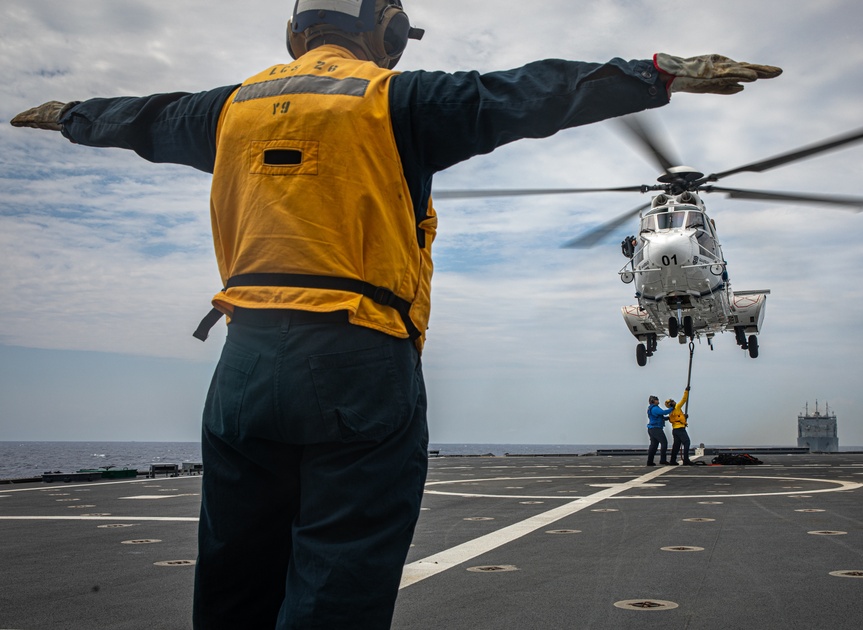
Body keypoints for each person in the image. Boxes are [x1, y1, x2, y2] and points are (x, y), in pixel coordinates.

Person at [10, 1, 781, 627]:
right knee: (337, 582)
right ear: (386, 33)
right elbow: (527, 93)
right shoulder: (398, 100)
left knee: (234, 581)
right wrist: (656, 74)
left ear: (293, 33)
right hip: (359, 361)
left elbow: (144, 116)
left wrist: (72, 113)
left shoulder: (228, 111)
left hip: (243, 368)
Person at [666, 386, 693, 465]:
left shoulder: (670, 412)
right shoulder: (677, 407)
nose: (674, 401)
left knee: (676, 446)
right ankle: (686, 460)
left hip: (675, 430)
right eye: (672, 401)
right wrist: (686, 391)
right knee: (687, 442)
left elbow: (676, 418)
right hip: (680, 429)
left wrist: (683, 417)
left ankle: (672, 460)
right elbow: (684, 400)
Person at [646, 395, 671, 466]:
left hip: (651, 428)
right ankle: (663, 460)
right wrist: (672, 408)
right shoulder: (655, 408)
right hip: (656, 428)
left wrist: (668, 418)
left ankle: (650, 461)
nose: (658, 401)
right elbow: (664, 412)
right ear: (653, 401)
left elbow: (660, 417)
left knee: (654, 445)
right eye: (657, 400)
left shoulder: (651, 409)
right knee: (664, 443)